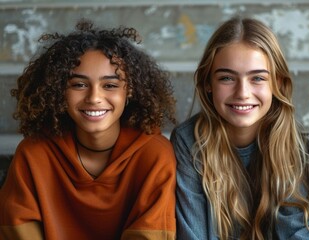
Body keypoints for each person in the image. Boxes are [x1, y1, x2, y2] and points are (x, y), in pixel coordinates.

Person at [0, 19, 177, 239]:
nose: (94, 98)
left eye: (110, 85)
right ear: (58, 90)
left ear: (129, 91)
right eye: (79, 85)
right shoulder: (33, 153)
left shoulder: (154, 154)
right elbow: (17, 229)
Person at [170, 17, 309, 240]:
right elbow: (193, 234)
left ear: (277, 83)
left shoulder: (293, 146)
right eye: (227, 78)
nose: (242, 92)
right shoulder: (189, 142)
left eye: (257, 78)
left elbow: (299, 233)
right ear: (208, 83)